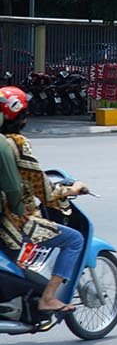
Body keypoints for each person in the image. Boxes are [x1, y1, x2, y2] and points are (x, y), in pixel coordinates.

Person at [0, 88, 88, 315]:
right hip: (18, 220)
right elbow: (44, 189)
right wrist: (73, 189)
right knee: (75, 240)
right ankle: (48, 298)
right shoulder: (16, 143)